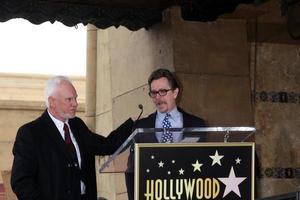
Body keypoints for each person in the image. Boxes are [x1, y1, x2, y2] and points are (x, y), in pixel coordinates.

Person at [11, 76, 134, 200]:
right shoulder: (30, 133)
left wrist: (134, 125)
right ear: (52, 101)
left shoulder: (77, 125)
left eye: (75, 98)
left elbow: (106, 145)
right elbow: (21, 181)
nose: (75, 104)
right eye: (69, 99)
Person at [125, 68, 205, 200]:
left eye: (162, 92)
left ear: (175, 92)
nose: (158, 98)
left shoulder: (196, 125)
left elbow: (204, 166)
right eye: (154, 93)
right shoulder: (141, 127)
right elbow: (131, 171)